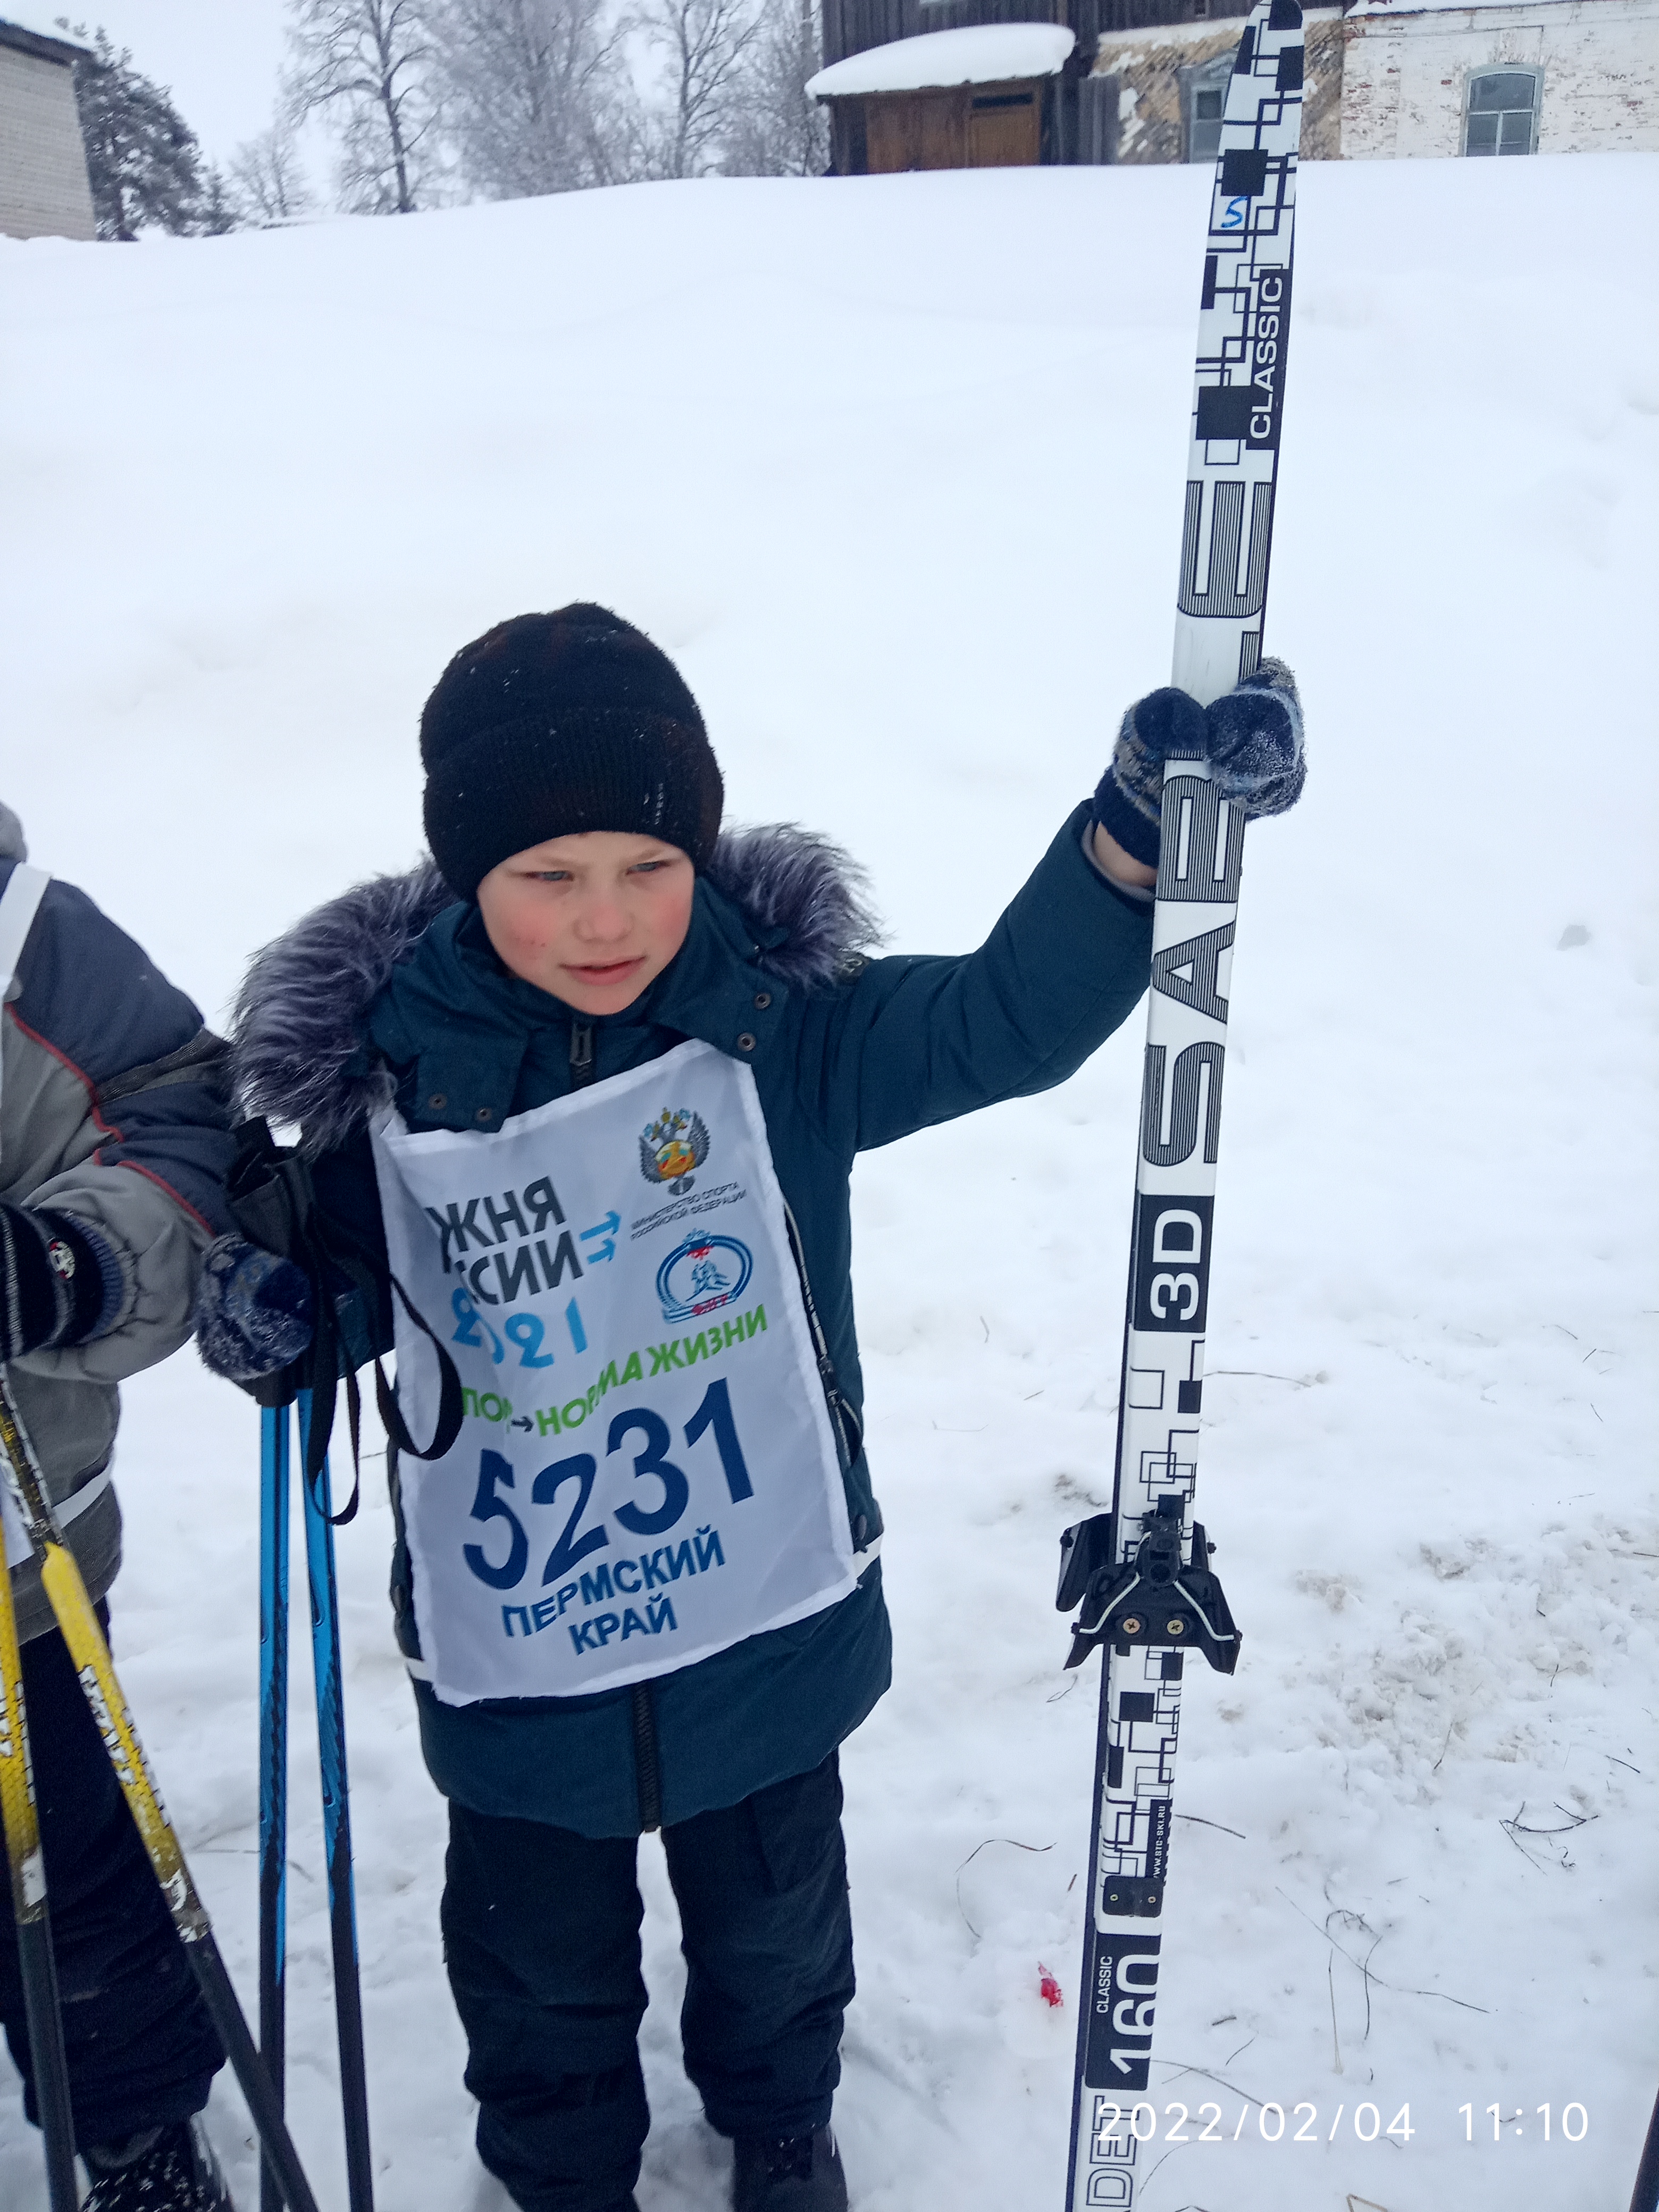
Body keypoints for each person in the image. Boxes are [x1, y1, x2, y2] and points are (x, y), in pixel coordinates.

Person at [195, 607, 1305, 2212]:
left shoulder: (787, 1033)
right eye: (548, 877)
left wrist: (1141, 837)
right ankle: (562, 2169)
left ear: (704, 856)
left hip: (759, 1621)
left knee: (779, 1922)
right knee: (534, 1965)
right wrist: (286, 1311)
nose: (604, 921)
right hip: (528, 1650)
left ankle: (780, 2117)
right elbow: (350, 1283)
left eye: (649, 867)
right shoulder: (395, 1079)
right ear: (466, 874)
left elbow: (1004, 1015)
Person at [0, 803, 239, 2211]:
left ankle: (139, 2129)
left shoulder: (26, 942)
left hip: (16, 1561)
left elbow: (169, 1111)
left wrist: (71, 1262)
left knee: (70, 1879)